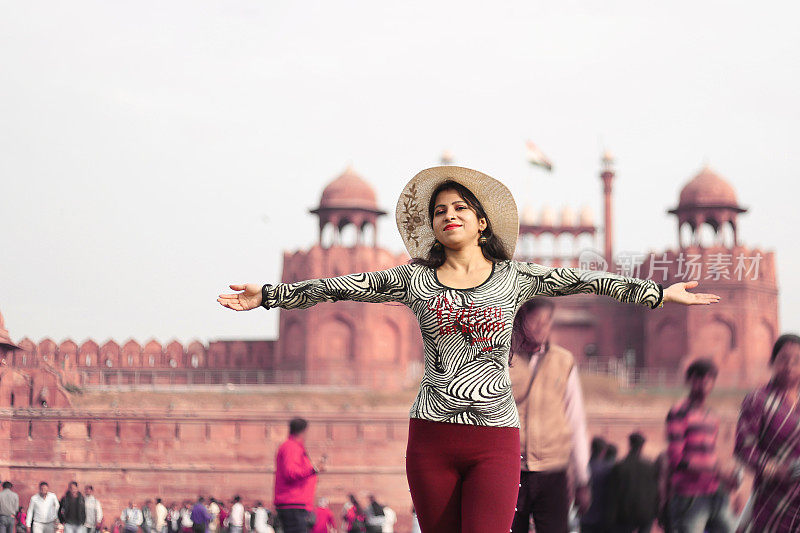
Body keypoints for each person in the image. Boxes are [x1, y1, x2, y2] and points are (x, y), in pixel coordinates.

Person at [218, 166, 719, 533]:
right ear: (432, 227)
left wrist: (656, 293)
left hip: (494, 438)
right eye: (439, 210)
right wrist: (267, 296)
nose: (449, 215)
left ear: (482, 223)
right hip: (431, 435)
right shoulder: (415, 279)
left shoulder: (514, 277)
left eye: (460, 208)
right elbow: (344, 287)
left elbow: (583, 278)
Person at [508, 297, 591, 533]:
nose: (541, 328)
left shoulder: (563, 362)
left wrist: (582, 479)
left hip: (552, 470)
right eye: (535, 321)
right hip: (513, 470)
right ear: (521, 321)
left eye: (546, 322)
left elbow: (575, 420)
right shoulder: (506, 361)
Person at [735, 333, 800, 532]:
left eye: (797, 361)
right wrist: (774, 469)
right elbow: (744, 449)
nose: (789, 365)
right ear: (772, 362)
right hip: (773, 499)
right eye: (783, 359)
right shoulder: (758, 400)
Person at [666, 359, 738, 532]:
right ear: (689, 380)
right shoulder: (679, 412)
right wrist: (716, 469)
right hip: (690, 496)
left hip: (715, 493)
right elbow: (676, 459)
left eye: (709, 379)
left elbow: (712, 455)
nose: (705, 383)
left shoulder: (711, 416)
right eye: (699, 378)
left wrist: (728, 477)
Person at [272, 418, 324, 533]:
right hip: (293, 504)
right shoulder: (291, 447)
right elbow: (291, 472)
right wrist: (313, 469)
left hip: (296, 504)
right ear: (304, 431)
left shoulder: (293, 447)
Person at [606, 433, 659, 533]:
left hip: (624, 515)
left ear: (629, 445)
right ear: (642, 446)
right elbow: (655, 491)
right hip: (645, 513)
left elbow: (613, 494)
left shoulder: (619, 466)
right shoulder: (650, 466)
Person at [580, 437, 609, 533]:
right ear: (604, 451)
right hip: (602, 517)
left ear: (591, 449)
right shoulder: (608, 469)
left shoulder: (584, 468)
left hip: (585, 516)